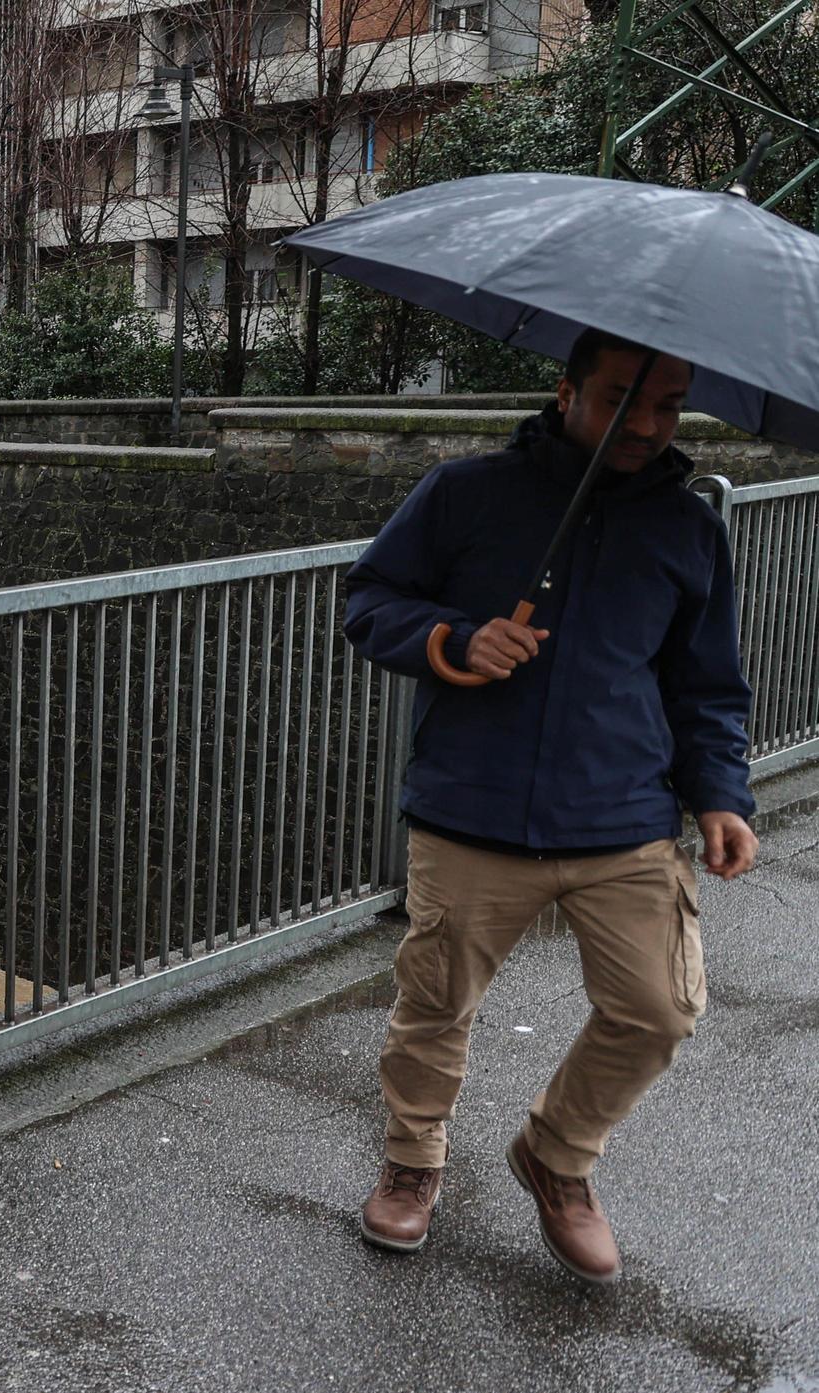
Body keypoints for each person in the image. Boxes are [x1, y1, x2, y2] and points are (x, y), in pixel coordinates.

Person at [341, 329, 757, 1283]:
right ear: (566, 390)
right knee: (435, 1003)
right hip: (472, 805)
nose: (647, 424)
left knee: (658, 1007)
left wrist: (721, 797)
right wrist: (453, 638)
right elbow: (368, 598)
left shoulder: (689, 529)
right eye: (622, 398)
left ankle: (558, 1156)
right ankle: (412, 1162)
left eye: (667, 404)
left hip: (625, 815)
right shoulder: (465, 491)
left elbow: (706, 686)